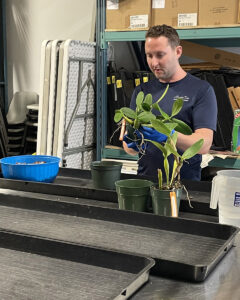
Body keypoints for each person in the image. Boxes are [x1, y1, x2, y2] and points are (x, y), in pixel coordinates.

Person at [123, 24, 217, 181]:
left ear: (178, 51)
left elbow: (204, 144)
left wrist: (168, 135)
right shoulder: (142, 92)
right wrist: (132, 142)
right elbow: (129, 149)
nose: (154, 63)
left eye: (160, 55)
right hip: (145, 182)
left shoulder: (201, 90)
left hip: (184, 185)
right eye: (149, 55)